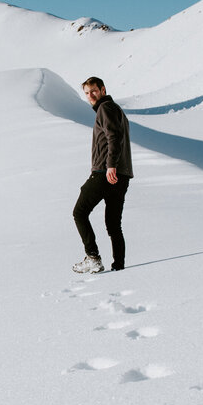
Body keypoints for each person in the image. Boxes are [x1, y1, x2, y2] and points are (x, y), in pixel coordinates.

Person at [72, 76, 134, 273]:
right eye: (87, 93)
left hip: (105, 171)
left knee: (80, 212)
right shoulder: (117, 110)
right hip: (122, 174)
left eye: (94, 91)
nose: (91, 96)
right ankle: (119, 267)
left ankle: (93, 258)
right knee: (114, 224)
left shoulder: (105, 109)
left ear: (103, 89)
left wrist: (110, 166)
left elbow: (113, 137)